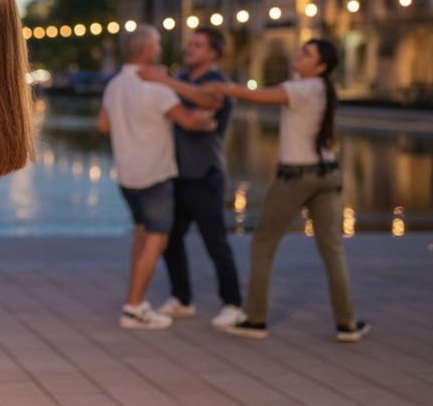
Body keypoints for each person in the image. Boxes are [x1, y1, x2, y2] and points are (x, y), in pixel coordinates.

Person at [207, 39, 369, 342]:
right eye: (300, 49)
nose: (298, 53)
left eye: (307, 54)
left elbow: (258, 95)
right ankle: (347, 322)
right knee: (332, 249)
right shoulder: (322, 87)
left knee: (263, 246)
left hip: (295, 177)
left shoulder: (303, 89)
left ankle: (255, 319)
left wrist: (221, 87)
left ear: (320, 66)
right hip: (327, 175)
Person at [98, 25, 216, 330]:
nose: (160, 48)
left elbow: (103, 125)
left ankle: (134, 299)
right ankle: (134, 308)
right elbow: (188, 120)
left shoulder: (114, 85)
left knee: (141, 234)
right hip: (155, 175)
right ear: (147, 51)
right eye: (158, 44)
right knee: (156, 239)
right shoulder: (157, 87)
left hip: (127, 176)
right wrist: (205, 121)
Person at [136, 27, 245, 328]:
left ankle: (233, 304)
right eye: (190, 44)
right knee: (169, 240)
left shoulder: (217, 84)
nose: (189, 49)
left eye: (197, 45)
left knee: (215, 242)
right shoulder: (182, 80)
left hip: (205, 174)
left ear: (213, 53)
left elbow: (206, 104)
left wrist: (161, 79)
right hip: (176, 173)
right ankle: (182, 299)